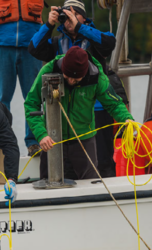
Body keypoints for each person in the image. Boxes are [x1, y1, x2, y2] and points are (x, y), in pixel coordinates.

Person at [28, 0, 126, 177]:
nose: (68, 20)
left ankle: (104, 194)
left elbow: (110, 43)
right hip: (63, 110)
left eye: (73, 13)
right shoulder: (57, 42)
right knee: (62, 164)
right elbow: (34, 49)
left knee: (103, 160)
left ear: (83, 16)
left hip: (97, 106)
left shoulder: (93, 35)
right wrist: (49, 24)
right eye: (65, 15)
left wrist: (80, 27)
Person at [24, 46, 133, 180]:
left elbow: (114, 103)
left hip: (84, 141)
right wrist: (41, 134)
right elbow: (31, 103)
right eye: (67, 77)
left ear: (85, 72)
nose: (70, 81)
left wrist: (127, 119)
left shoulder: (96, 77)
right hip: (52, 140)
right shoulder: (49, 70)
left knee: (90, 184)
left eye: (76, 80)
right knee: (48, 184)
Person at [0, 0, 44, 156]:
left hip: (32, 48)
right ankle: (3, 141)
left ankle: (33, 143)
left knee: (33, 98)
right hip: (3, 47)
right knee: (1, 100)